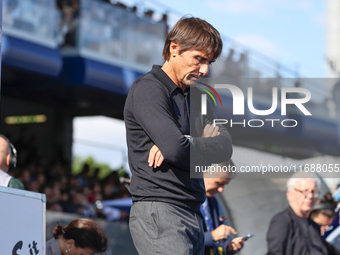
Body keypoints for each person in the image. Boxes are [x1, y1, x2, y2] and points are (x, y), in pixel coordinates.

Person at [124, 16, 232, 255]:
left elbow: (225, 148)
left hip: (193, 212)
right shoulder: (148, 89)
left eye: (209, 63)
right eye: (199, 59)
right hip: (161, 209)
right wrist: (188, 145)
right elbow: (175, 149)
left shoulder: (200, 97)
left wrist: (189, 141)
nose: (204, 70)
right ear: (174, 48)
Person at [266, 172, 329, 255]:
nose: (310, 196)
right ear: (290, 194)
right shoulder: (282, 221)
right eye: (305, 191)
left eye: (313, 192)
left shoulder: (313, 224)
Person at [202, 161, 245, 255]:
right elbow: (179, 238)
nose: (221, 189)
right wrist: (211, 237)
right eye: (218, 183)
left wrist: (228, 247)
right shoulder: (182, 200)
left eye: (224, 185)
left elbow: (216, 240)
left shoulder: (212, 201)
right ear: (203, 172)